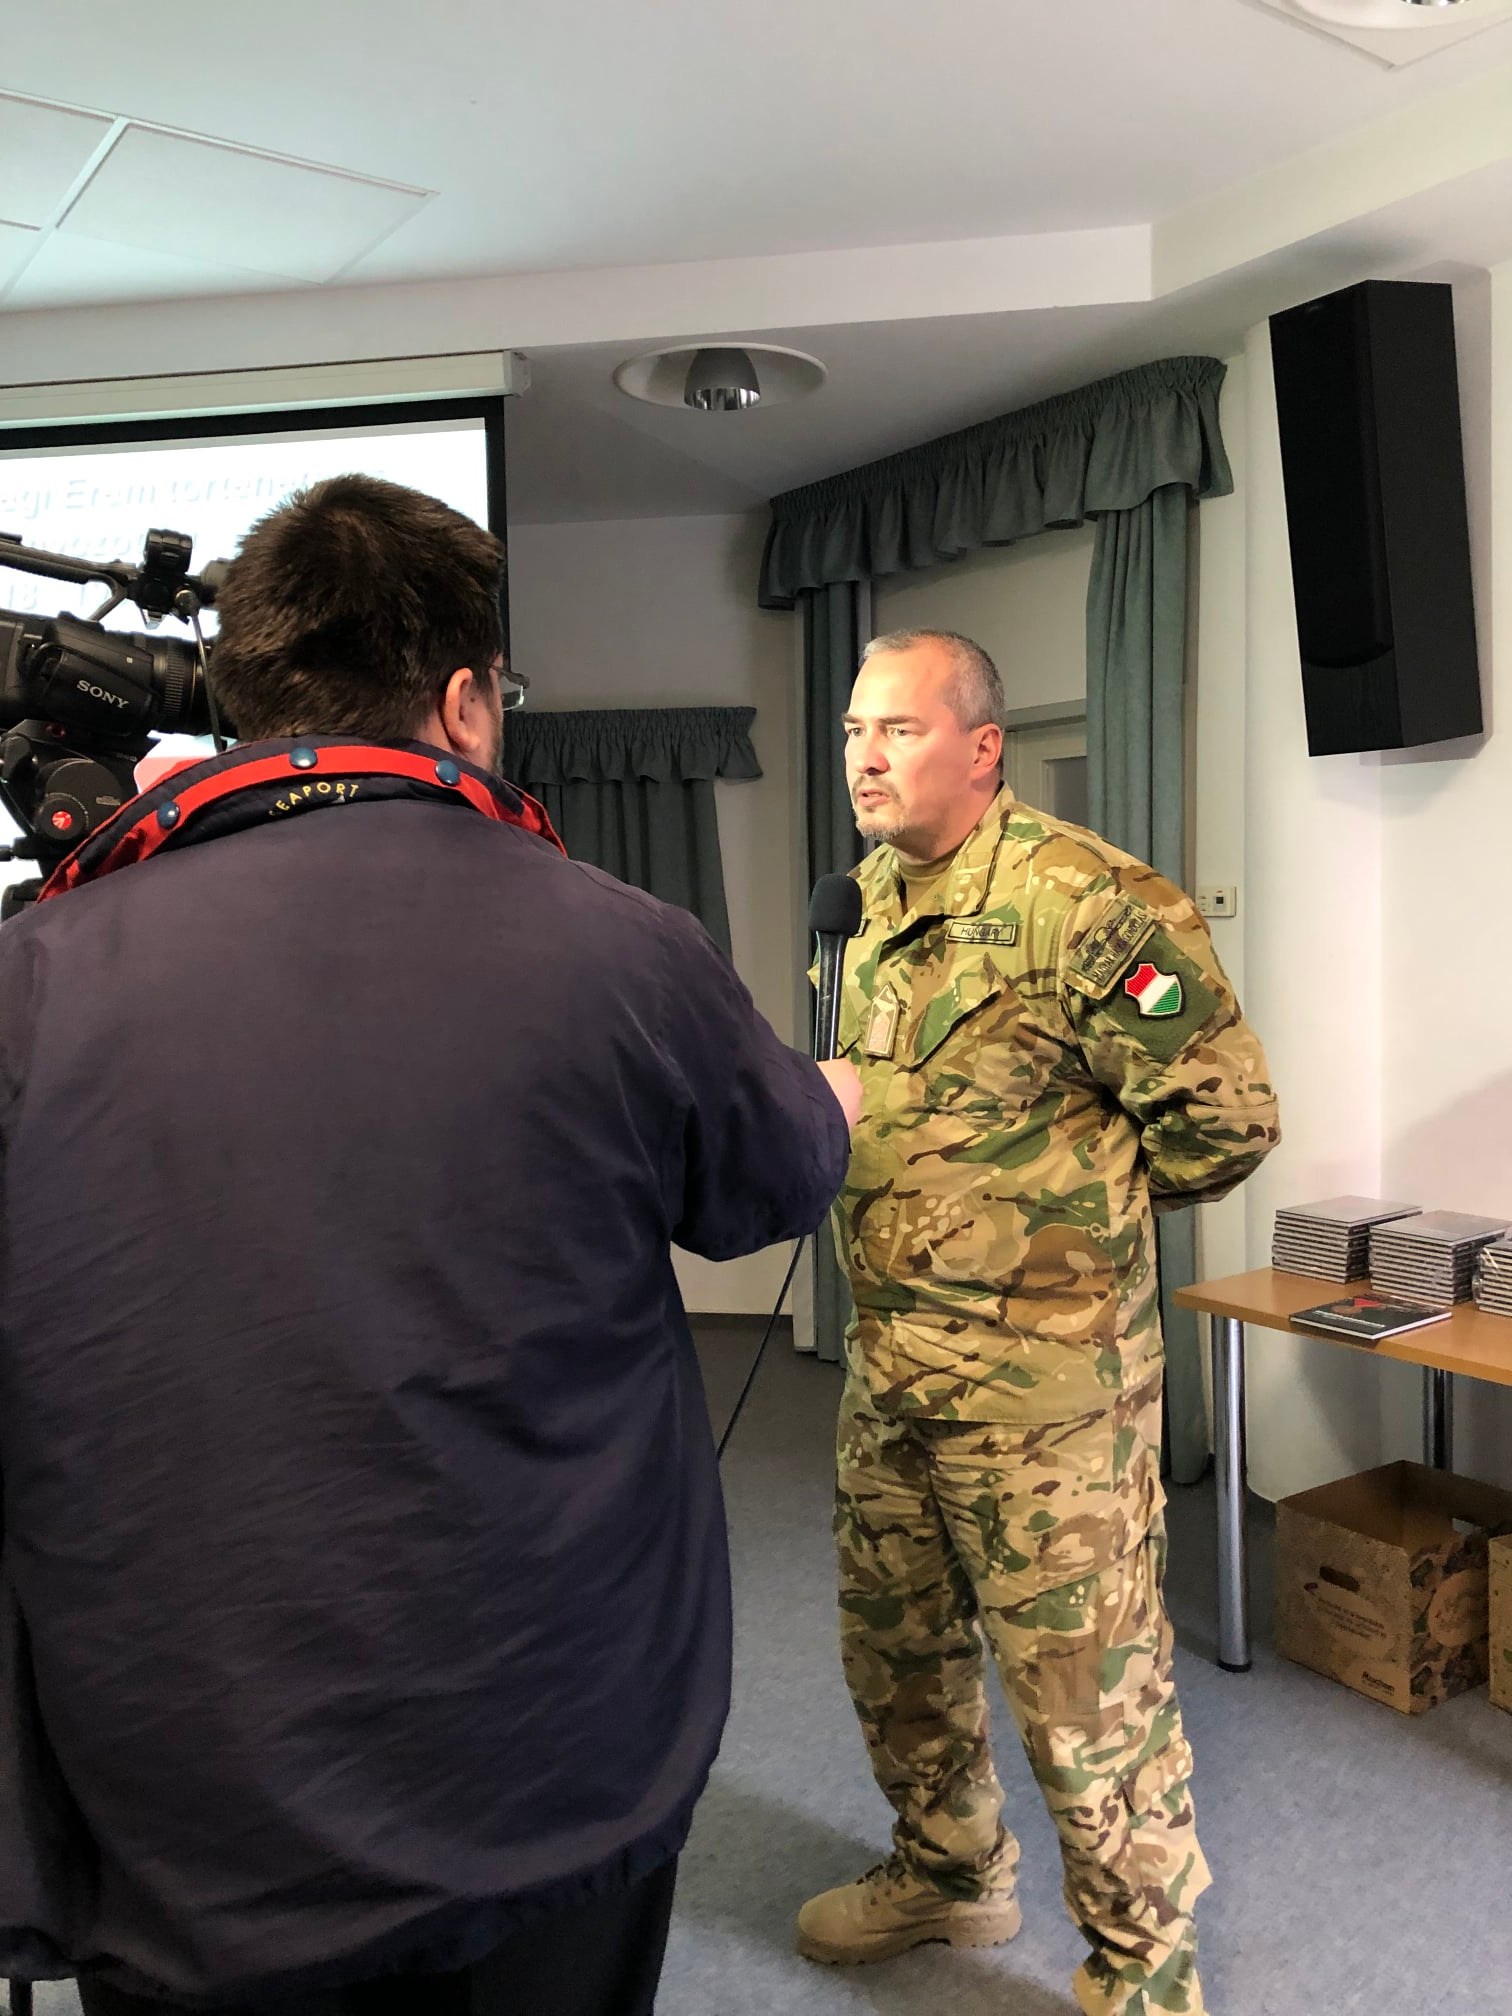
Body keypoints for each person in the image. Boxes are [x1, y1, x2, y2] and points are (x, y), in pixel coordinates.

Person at [0, 474, 861, 2016]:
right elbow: (773, 1187)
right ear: (465, 701)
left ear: (241, 695)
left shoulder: (34, 976)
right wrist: (834, 1097)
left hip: (178, 1819)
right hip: (553, 1782)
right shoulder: (623, 944)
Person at [796, 630, 1280, 2016]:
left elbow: (1228, 1121)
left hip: (1048, 1404)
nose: (866, 758)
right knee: (898, 1656)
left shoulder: (1088, 905)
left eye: (898, 729)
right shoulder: (856, 905)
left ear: (982, 746)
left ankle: (1146, 1966)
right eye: (854, 731)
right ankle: (948, 1870)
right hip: (892, 1373)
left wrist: (1070, 1235)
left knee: (1088, 1703)